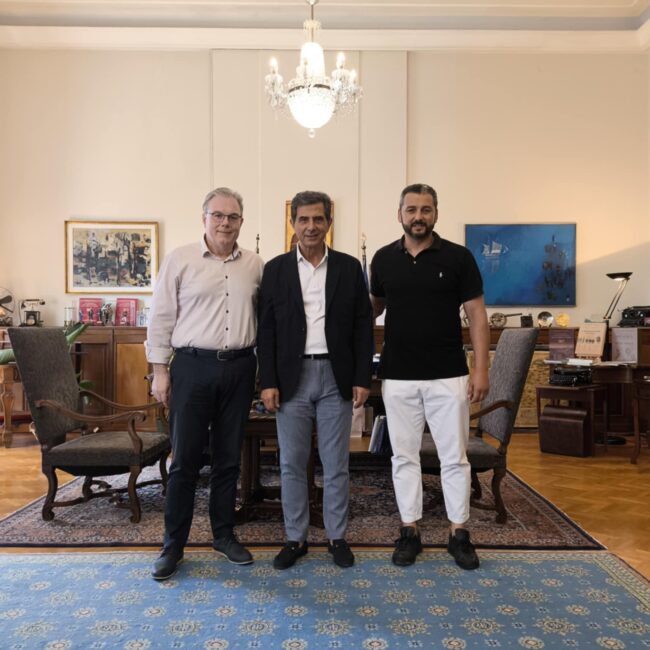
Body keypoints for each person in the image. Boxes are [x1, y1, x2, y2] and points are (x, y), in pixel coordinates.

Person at [146, 187, 264, 580]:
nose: (225, 223)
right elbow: (161, 317)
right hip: (192, 368)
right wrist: (160, 370)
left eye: (233, 217)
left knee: (229, 459)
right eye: (218, 215)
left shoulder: (255, 266)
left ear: (241, 222)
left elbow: (265, 320)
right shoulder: (180, 259)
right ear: (204, 218)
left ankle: (223, 535)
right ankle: (172, 546)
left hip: (240, 369)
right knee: (185, 461)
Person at [370, 183, 489, 570]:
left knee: (454, 457)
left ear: (436, 213)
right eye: (411, 210)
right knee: (403, 456)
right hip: (398, 375)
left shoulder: (458, 257)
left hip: (448, 375)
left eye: (425, 209)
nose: (418, 216)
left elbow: (477, 315)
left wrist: (481, 369)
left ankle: (459, 532)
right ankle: (410, 530)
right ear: (399, 214)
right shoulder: (383, 259)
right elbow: (372, 309)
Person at [257, 190, 373, 570]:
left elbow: (362, 326)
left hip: (336, 376)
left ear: (328, 223)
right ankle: (296, 538)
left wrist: (362, 377)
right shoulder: (275, 269)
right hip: (291, 378)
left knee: (335, 463)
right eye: (303, 219)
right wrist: (268, 381)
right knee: (291, 463)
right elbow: (266, 330)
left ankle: (337, 537)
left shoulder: (348, 268)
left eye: (318, 219)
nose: (311, 226)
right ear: (293, 223)